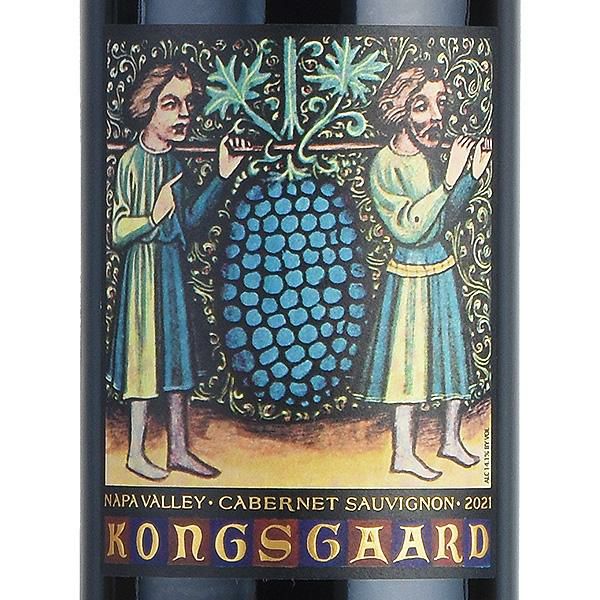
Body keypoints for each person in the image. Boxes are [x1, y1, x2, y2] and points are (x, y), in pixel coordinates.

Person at [107, 62, 250, 480]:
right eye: (171, 104)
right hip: (142, 275)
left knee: (176, 361)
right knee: (142, 361)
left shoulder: (175, 163)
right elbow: (118, 230)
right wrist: (152, 217)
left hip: (172, 272)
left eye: (188, 103)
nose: (184, 113)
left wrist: (222, 175)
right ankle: (135, 452)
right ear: (146, 108)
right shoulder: (131, 162)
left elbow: (190, 222)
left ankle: (179, 450)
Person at [358, 66, 492, 481]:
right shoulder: (384, 164)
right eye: (421, 106)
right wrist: (448, 182)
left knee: (450, 357)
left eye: (441, 104)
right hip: (409, 278)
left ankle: (450, 440)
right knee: (408, 367)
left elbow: (445, 219)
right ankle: (403, 452)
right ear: (399, 112)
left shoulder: (430, 159)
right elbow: (409, 229)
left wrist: (470, 175)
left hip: (441, 271)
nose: (436, 116)